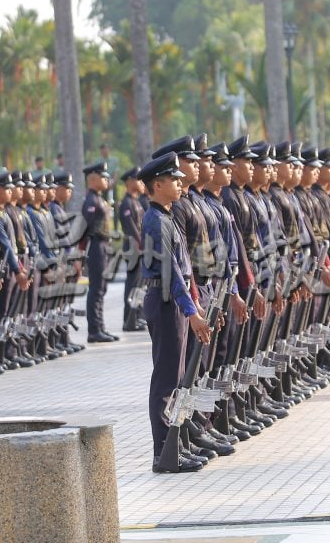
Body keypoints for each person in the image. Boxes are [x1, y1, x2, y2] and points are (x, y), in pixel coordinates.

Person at [138, 151, 211, 473]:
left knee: (178, 379)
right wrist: (191, 311)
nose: (181, 184)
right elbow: (172, 272)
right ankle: (163, 454)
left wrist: (192, 307)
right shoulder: (155, 221)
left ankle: (175, 448)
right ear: (158, 184)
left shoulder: (167, 216)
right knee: (166, 381)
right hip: (165, 302)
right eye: (174, 180)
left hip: (174, 303)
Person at [82, 161, 117, 342]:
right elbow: (84, 228)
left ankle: (100, 326)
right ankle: (94, 330)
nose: (106, 179)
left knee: (102, 288)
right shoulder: (90, 200)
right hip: (95, 245)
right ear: (93, 178)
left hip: (103, 246)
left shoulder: (99, 199)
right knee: (96, 289)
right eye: (103, 177)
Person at [118, 167, 146, 332]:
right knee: (132, 285)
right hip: (134, 250)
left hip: (140, 250)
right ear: (129, 181)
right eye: (138, 179)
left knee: (139, 286)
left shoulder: (136, 201)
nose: (141, 183)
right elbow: (131, 229)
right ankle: (128, 319)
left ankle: (136, 317)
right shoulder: (127, 203)